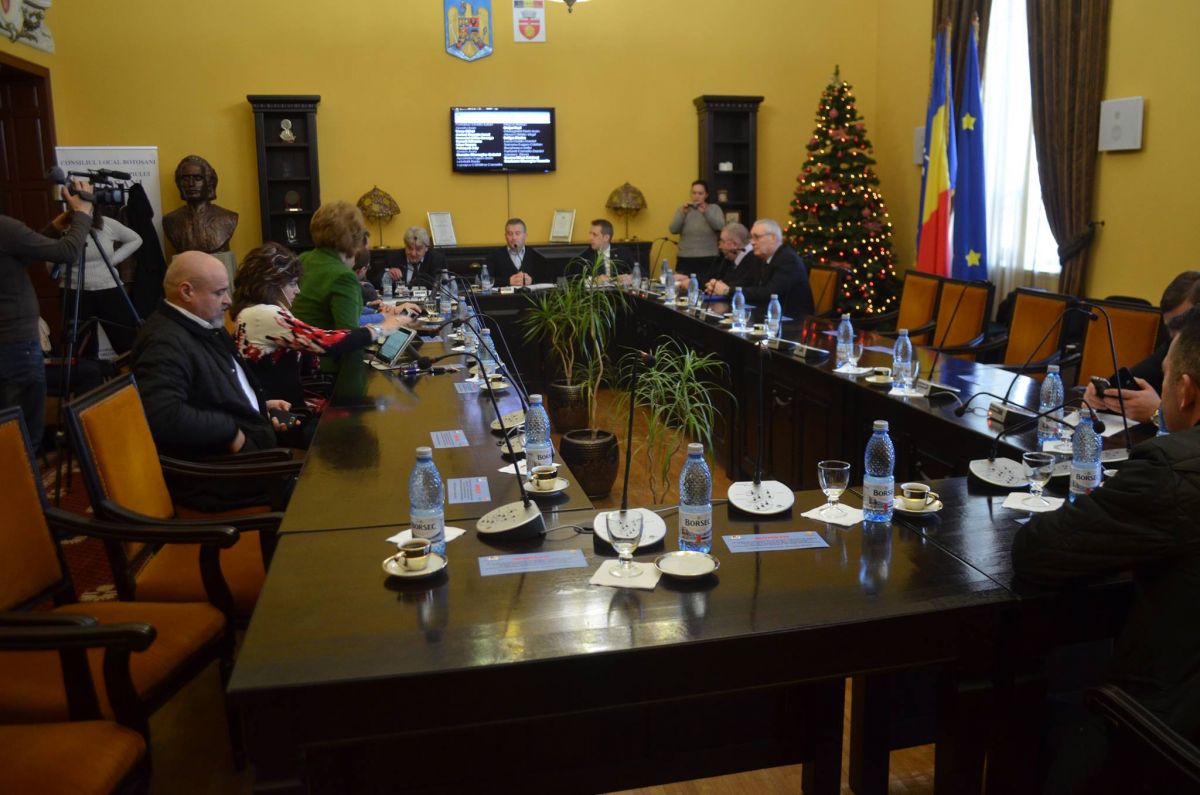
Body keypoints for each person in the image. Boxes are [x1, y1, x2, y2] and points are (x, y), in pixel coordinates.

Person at [1011, 305, 1200, 790]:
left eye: (1165, 378)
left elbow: (1038, 552)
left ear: (1184, 391)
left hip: (1166, 731)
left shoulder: (1170, 470)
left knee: (1031, 697)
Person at [131, 251, 294, 462]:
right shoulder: (163, 341)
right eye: (219, 293)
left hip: (255, 439)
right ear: (187, 292)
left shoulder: (203, 323)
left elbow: (212, 388)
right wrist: (230, 431)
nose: (228, 301)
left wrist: (257, 405)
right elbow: (163, 413)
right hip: (231, 468)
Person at [232, 242, 410, 410]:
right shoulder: (264, 314)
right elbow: (324, 342)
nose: (298, 290)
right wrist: (381, 329)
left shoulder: (252, 312)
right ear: (272, 284)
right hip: (287, 413)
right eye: (292, 283)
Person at [0, 179, 93, 445]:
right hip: (15, 347)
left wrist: (56, 227)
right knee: (23, 434)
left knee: (9, 429)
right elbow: (68, 252)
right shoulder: (4, 227)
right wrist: (83, 212)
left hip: (9, 344)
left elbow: (18, 257)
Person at [1083, 271, 1200, 423]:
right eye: (1170, 328)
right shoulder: (1172, 345)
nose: (1175, 336)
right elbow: (1137, 377)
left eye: (1181, 325)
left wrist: (1158, 413)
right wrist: (1102, 394)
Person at [52, 212, 143, 356]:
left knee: (127, 342)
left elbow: (135, 239)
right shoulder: (61, 226)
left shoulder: (106, 223)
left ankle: (132, 370)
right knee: (82, 348)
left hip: (109, 288)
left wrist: (113, 260)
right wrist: (63, 270)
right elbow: (50, 263)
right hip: (74, 291)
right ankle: (89, 371)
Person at [730, 219, 813, 320]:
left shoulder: (788, 259)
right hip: (766, 315)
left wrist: (728, 290)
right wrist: (722, 287)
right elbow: (745, 282)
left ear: (773, 238)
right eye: (751, 238)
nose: (752, 242)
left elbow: (770, 293)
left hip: (792, 320)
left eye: (757, 237)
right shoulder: (760, 258)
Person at [161, 155, 238, 254]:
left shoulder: (228, 218)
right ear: (179, 184)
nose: (191, 184)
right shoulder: (170, 220)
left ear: (209, 182)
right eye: (185, 179)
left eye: (198, 178)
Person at [668, 180, 725, 276]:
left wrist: (705, 212)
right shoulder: (683, 210)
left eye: (700, 193)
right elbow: (673, 229)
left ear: (706, 195)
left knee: (707, 284)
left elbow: (721, 227)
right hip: (685, 258)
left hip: (709, 257)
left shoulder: (714, 208)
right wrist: (683, 214)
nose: (696, 196)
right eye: (694, 193)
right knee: (682, 284)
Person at [484, 217, 550, 286]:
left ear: (525, 236)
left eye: (517, 233)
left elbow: (547, 280)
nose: (514, 238)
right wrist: (508, 281)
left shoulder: (535, 255)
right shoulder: (494, 255)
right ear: (505, 236)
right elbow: (484, 280)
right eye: (510, 234)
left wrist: (532, 281)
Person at [381, 226, 447, 292]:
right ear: (405, 245)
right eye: (409, 248)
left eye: (418, 249)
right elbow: (377, 283)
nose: (413, 254)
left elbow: (440, 286)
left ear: (426, 248)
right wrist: (387, 275)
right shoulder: (393, 257)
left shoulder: (437, 259)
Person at [703, 222, 761, 295]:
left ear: (734, 244)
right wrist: (714, 286)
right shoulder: (729, 259)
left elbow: (744, 285)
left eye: (722, 241)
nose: (720, 246)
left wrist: (720, 288)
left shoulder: (755, 260)